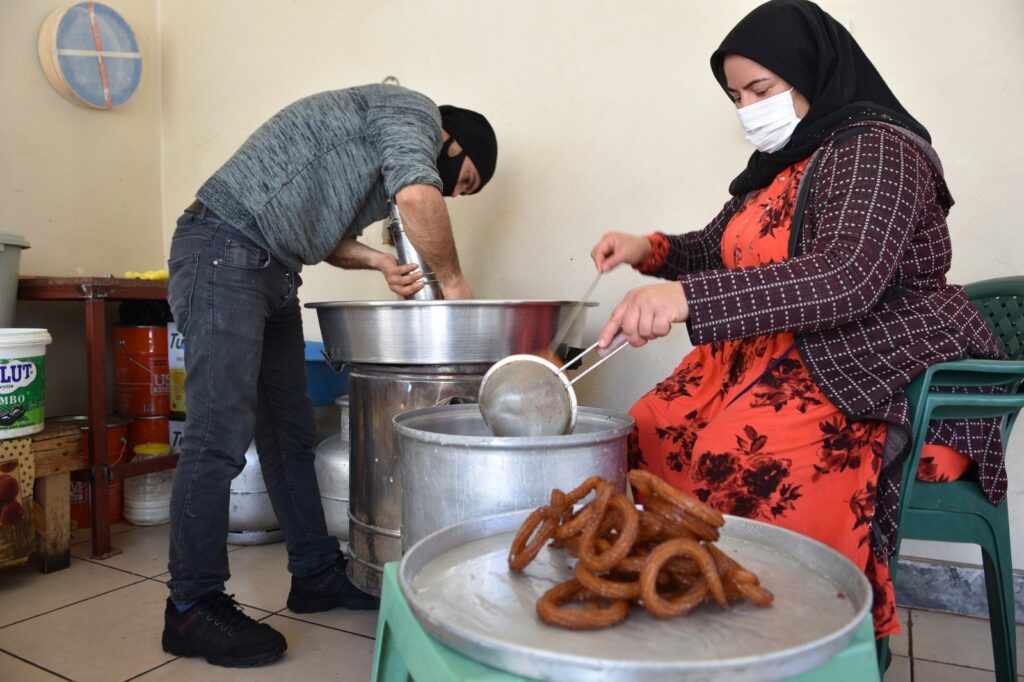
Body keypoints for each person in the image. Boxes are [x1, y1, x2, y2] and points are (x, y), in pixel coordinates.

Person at [591, 0, 1003, 640]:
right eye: (736, 96)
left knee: (737, 454)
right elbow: (720, 248)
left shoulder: (881, 152)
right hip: (791, 349)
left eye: (762, 89)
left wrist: (690, 302)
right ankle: (686, 615)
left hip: (874, 361)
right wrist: (651, 250)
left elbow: (847, 277)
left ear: (814, 72)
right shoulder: (783, 166)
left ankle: (790, 636)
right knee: (647, 427)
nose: (749, 109)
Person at [162, 83, 497, 667]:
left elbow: (326, 239)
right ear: (454, 142)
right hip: (223, 248)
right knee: (217, 437)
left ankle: (315, 574)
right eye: (463, 180)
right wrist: (457, 287)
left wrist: (380, 262)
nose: (453, 193)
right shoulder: (413, 111)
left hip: (270, 265)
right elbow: (419, 197)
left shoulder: (377, 148)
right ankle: (191, 606)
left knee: (291, 435)